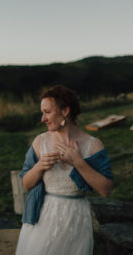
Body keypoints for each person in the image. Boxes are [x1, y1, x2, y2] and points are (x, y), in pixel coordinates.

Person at [15, 85, 113, 255]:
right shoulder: (40, 141)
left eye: (47, 112)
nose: (43, 118)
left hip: (76, 219)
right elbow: (26, 184)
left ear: (65, 111)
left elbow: (105, 190)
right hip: (44, 217)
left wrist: (78, 162)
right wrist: (39, 167)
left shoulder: (93, 145)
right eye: (42, 112)